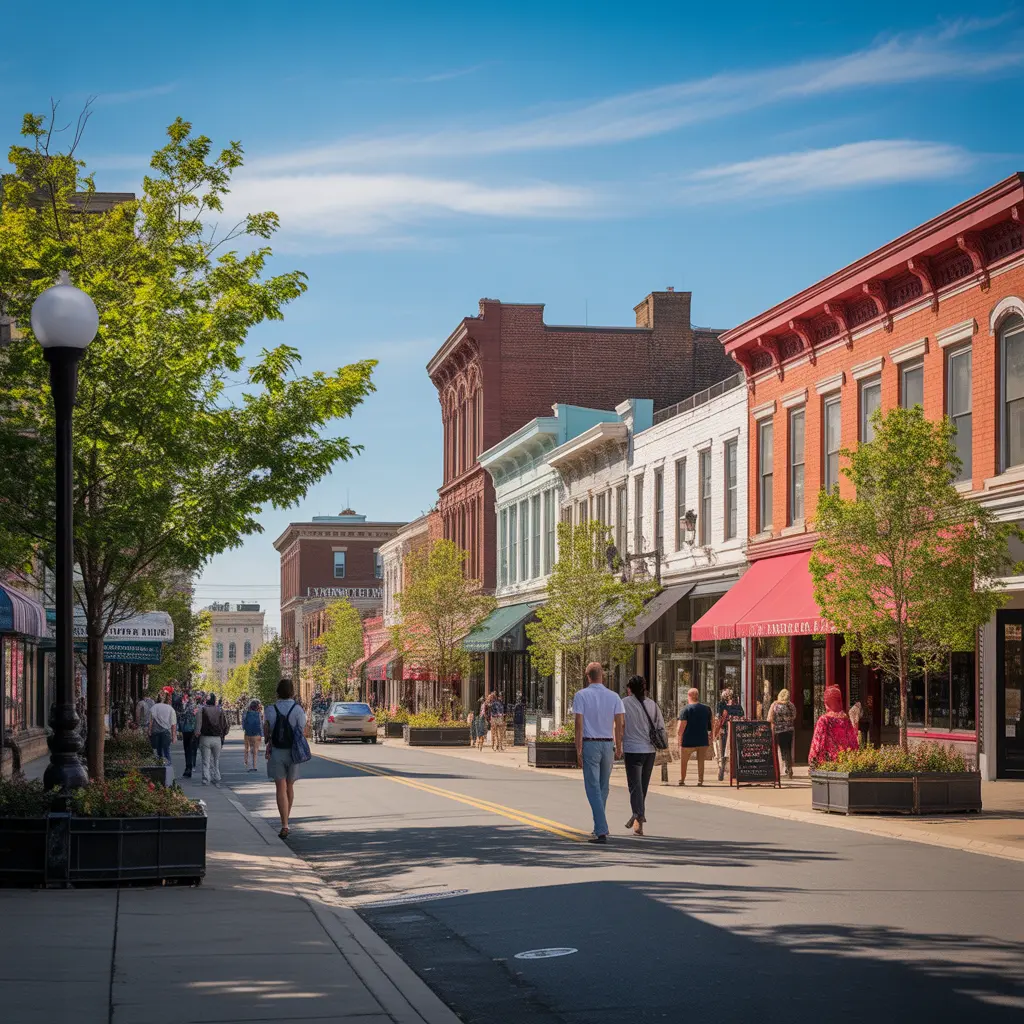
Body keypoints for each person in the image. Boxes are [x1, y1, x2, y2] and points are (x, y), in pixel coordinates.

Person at [573, 662, 625, 844]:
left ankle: (601, 828)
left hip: (591, 743)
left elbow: (578, 724)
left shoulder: (581, 695)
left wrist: (578, 748)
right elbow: (620, 723)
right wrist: (619, 746)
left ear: (588, 676)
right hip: (607, 744)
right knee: (603, 787)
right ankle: (599, 825)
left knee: (593, 787)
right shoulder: (614, 697)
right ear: (602, 675)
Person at [622, 675, 665, 837]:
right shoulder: (652, 705)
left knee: (635, 787)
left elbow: (619, 725)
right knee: (642, 786)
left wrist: (618, 745)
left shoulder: (624, 703)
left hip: (632, 749)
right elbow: (660, 725)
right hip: (649, 751)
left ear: (629, 689)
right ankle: (638, 818)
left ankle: (638, 816)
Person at [265, 678, 308, 839]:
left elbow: (267, 731)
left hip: (277, 752)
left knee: (280, 787)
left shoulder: (271, 709)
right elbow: (303, 729)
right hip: (293, 752)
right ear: (292, 692)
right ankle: (286, 821)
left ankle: (284, 824)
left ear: (278, 692)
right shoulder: (298, 710)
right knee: (290, 786)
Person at [808, 685, 860, 767]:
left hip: (827, 762)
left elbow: (817, 743)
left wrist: (813, 759)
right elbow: (853, 741)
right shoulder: (845, 719)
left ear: (827, 702)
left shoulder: (824, 720)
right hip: (845, 760)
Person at [677, 688, 713, 786]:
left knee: (684, 761)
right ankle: (700, 780)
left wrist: (679, 738)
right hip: (702, 739)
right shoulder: (707, 709)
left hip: (688, 740)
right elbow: (711, 724)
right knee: (701, 761)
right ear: (697, 696)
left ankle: (682, 779)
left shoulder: (685, 709)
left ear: (688, 696)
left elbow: (681, 727)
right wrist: (711, 737)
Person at [196, 693, 229, 786]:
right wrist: (223, 734)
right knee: (216, 760)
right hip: (217, 738)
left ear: (206, 701)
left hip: (205, 737)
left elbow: (198, 724)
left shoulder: (202, 710)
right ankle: (217, 776)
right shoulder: (220, 710)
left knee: (206, 761)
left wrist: (197, 733)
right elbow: (224, 725)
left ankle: (206, 779)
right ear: (215, 701)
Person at [714, 688, 746, 782]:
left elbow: (718, 717)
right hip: (735, 730)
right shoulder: (738, 706)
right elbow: (742, 716)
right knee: (733, 749)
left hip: (724, 730)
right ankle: (730, 771)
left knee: (723, 750)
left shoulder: (721, 705)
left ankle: (722, 770)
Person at [767, 688, 797, 778]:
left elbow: (769, 718)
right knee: (787, 749)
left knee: (778, 750)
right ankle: (788, 768)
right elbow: (794, 716)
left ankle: (778, 769)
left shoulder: (775, 705)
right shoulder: (790, 705)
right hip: (789, 730)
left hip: (778, 730)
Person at [148, 692, 177, 765]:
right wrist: (174, 737)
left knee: (158, 751)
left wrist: (149, 730)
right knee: (166, 750)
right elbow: (173, 724)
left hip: (155, 731)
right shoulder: (170, 709)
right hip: (166, 732)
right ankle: (168, 767)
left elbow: (151, 721)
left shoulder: (154, 707)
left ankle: (159, 766)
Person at [178, 692, 198, 778]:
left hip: (186, 730)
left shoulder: (185, 707)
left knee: (187, 749)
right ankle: (191, 766)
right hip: (193, 730)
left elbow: (182, 717)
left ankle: (188, 767)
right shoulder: (195, 707)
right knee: (192, 749)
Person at [242, 699, 264, 771]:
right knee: (255, 750)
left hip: (247, 733)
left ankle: (246, 763)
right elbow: (261, 724)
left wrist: (244, 729)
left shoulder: (246, 713)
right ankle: (254, 766)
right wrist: (262, 734)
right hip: (257, 734)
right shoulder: (259, 714)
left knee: (246, 748)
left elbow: (243, 723)